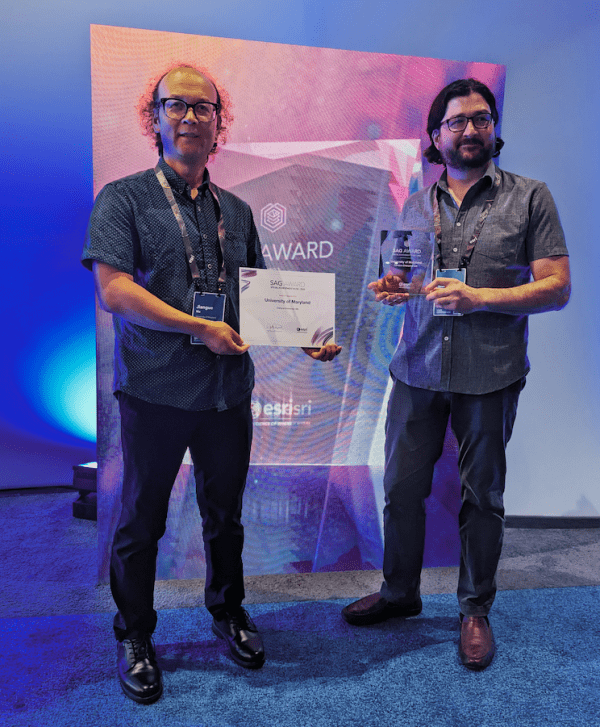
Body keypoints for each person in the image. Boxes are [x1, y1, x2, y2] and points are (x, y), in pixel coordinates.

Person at [82, 64, 341, 704]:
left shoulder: (239, 210)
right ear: (155, 118)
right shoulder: (123, 198)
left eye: (204, 107)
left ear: (219, 123)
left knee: (224, 519)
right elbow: (115, 292)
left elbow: (256, 298)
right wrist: (197, 330)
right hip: (156, 392)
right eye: (177, 105)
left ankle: (228, 613)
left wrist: (308, 333)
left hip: (228, 395)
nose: (191, 117)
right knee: (141, 523)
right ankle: (135, 635)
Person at [341, 78, 570, 671]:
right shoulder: (414, 203)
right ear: (436, 136)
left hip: (489, 375)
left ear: (494, 127)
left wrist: (481, 298)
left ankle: (474, 610)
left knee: (482, 498)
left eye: (481, 118)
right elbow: (404, 278)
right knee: (400, 491)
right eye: (456, 121)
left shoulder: (530, 197)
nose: (470, 129)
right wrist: (393, 289)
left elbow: (556, 288)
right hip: (416, 369)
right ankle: (399, 593)